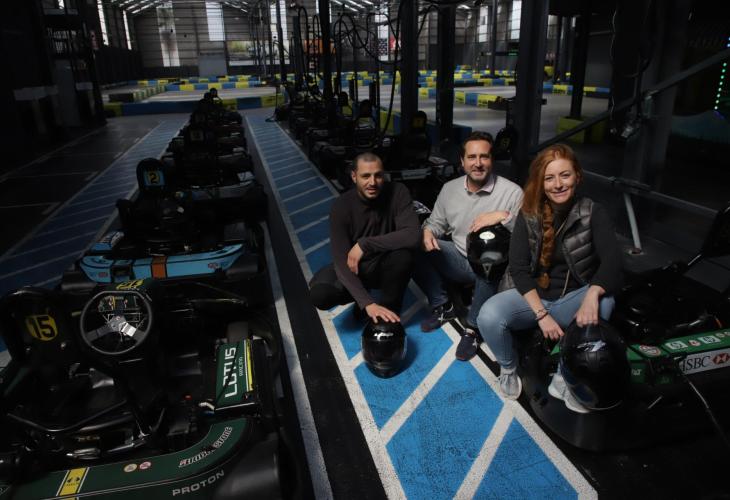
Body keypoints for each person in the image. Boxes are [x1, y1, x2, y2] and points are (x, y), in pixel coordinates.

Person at [476, 144, 621, 411]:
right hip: (534, 297)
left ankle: (565, 374)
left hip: (573, 299)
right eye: (549, 178)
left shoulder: (592, 212)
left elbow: (613, 263)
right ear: (541, 183)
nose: (558, 184)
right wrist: (542, 315)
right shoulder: (529, 213)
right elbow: (519, 269)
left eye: (565, 175)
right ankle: (508, 368)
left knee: (605, 301)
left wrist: (592, 294)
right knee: (488, 315)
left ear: (577, 176)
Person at [414, 131, 523, 361]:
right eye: (472, 157)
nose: (478, 163)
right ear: (462, 162)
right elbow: (436, 223)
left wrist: (503, 216)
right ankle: (443, 306)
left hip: (495, 268)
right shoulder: (449, 189)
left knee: (489, 255)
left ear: (492, 160)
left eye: (484, 156)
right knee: (414, 243)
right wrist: (427, 232)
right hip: (458, 257)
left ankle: (472, 329)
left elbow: (528, 233)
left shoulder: (512, 192)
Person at [309, 152, 421, 323]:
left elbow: (413, 235)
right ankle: (363, 298)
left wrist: (365, 244)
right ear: (354, 176)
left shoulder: (398, 192)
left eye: (378, 175)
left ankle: (388, 312)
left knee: (404, 256)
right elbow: (341, 261)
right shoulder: (342, 206)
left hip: (386, 265)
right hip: (355, 266)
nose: (372, 182)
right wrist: (366, 303)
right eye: (366, 176)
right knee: (320, 295)